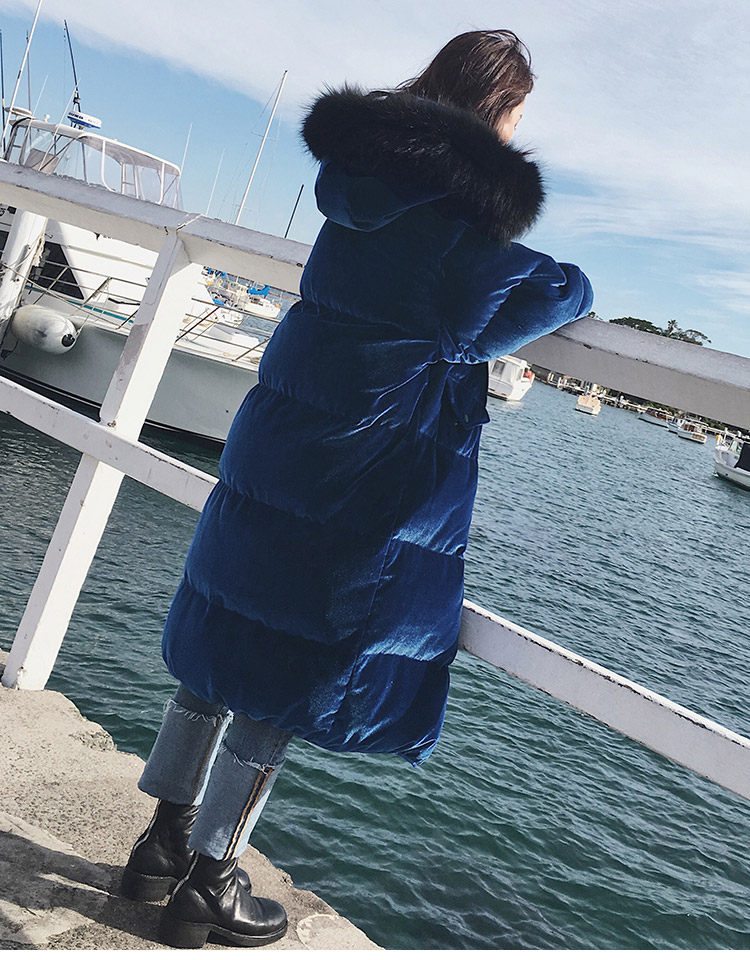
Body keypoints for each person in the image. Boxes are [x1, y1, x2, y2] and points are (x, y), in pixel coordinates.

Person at [121, 29, 593, 949]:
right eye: (517, 113)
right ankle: (210, 881)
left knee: (222, 641)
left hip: (277, 441)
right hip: (355, 470)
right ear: (496, 111)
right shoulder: (457, 223)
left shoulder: (358, 190)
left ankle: (159, 844)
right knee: (281, 674)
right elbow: (527, 304)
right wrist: (574, 285)